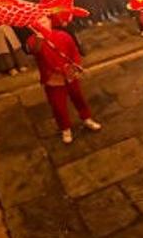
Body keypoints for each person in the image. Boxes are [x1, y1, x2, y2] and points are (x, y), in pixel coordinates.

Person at [27, 16, 101, 144]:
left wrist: (77, 66)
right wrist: (39, 39)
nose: (42, 24)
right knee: (58, 105)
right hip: (52, 78)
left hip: (69, 73)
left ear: (50, 21)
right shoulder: (32, 40)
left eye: (44, 21)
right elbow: (35, 51)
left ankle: (86, 118)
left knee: (78, 98)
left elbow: (74, 52)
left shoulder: (63, 35)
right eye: (38, 22)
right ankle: (65, 128)